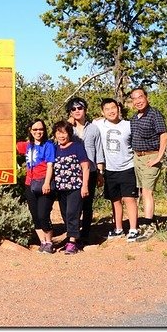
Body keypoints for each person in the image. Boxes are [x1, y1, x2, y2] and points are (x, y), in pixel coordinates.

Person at [92, 98, 140, 243]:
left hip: (127, 167)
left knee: (129, 199)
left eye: (113, 108)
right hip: (110, 169)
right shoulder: (98, 124)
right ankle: (118, 228)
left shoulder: (128, 125)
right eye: (107, 109)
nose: (111, 111)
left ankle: (133, 229)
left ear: (118, 108)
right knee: (115, 200)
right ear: (102, 112)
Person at [129, 87, 167, 242]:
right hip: (138, 157)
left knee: (147, 192)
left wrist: (159, 157)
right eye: (134, 98)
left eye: (140, 97)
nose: (138, 101)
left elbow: (164, 135)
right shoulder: (135, 118)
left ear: (146, 97)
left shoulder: (154, 114)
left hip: (150, 157)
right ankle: (146, 223)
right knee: (141, 192)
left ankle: (149, 226)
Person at [46, 120, 91, 255]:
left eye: (64, 133)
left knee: (72, 213)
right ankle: (74, 238)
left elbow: (86, 166)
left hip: (75, 187)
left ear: (69, 133)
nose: (61, 136)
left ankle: (72, 243)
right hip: (60, 188)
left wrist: (85, 186)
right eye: (58, 133)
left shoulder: (77, 147)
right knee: (65, 214)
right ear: (55, 134)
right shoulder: (55, 148)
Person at [65, 97, 104, 242]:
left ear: (85, 109)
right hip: (72, 172)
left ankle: (85, 234)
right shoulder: (68, 128)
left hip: (91, 170)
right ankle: (72, 234)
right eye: (73, 109)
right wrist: (67, 125)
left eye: (79, 108)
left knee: (87, 204)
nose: (77, 111)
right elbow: (59, 142)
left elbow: (99, 150)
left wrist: (100, 172)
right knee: (73, 206)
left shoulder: (94, 128)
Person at [16, 119, 57, 253]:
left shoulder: (48, 145)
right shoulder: (28, 145)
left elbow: (50, 165)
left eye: (40, 129)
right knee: (35, 215)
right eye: (35, 129)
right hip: (30, 184)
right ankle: (43, 242)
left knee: (43, 214)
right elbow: (11, 144)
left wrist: (47, 182)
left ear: (44, 130)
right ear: (30, 131)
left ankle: (49, 242)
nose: (38, 132)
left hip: (44, 183)